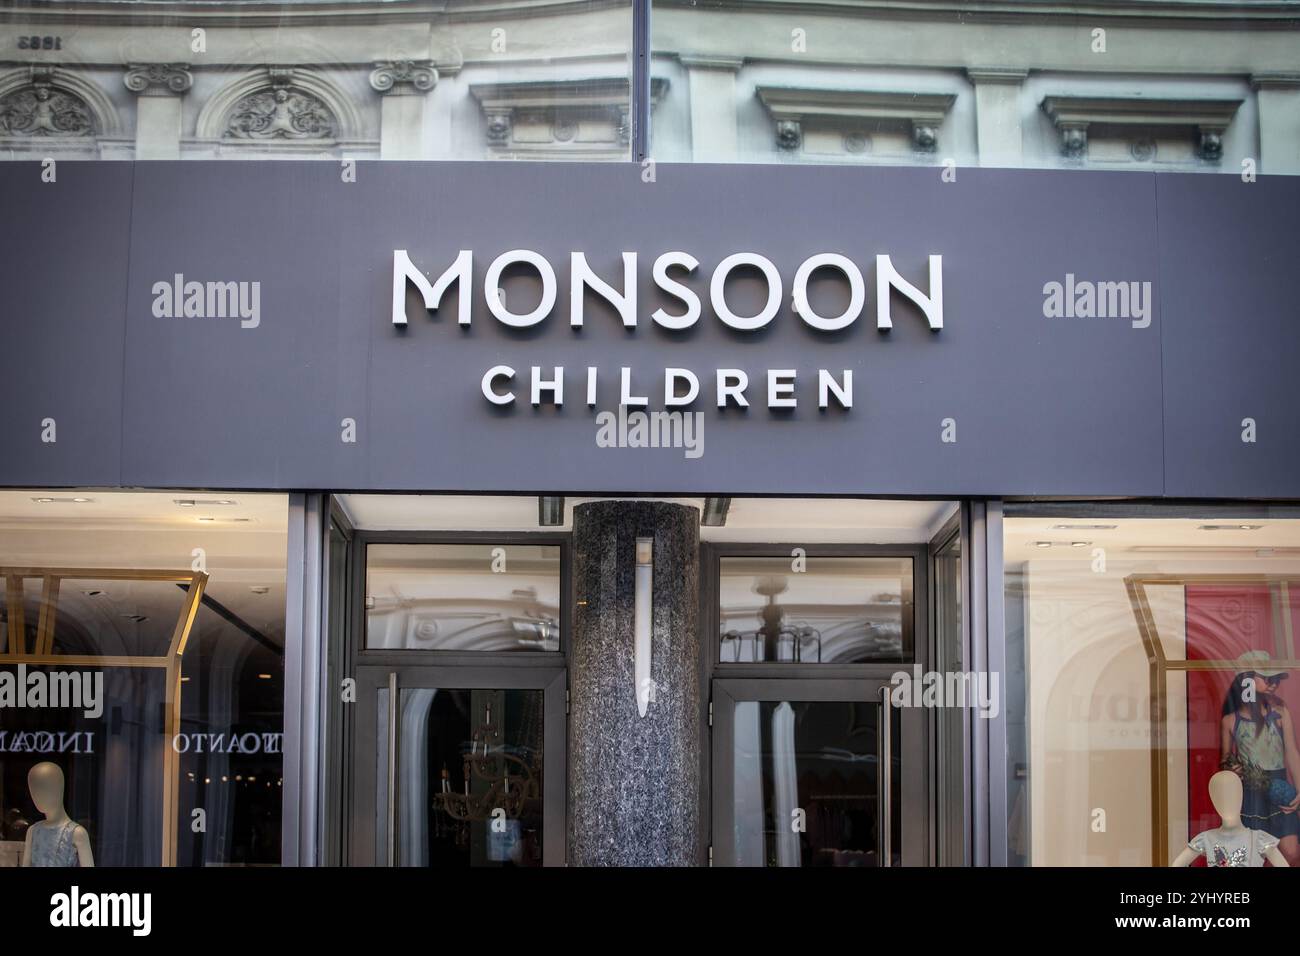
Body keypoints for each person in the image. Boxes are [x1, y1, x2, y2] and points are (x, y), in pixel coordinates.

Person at [1220, 652, 1300, 865]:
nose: (1273, 683)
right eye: (1267, 678)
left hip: (1280, 784)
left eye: (1276, 678)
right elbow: (1225, 759)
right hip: (1251, 790)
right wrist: (1231, 768)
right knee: (1253, 853)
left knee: (1290, 851)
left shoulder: (1281, 712)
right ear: (1246, 680)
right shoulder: (1231, 720)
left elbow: (1291, 751)